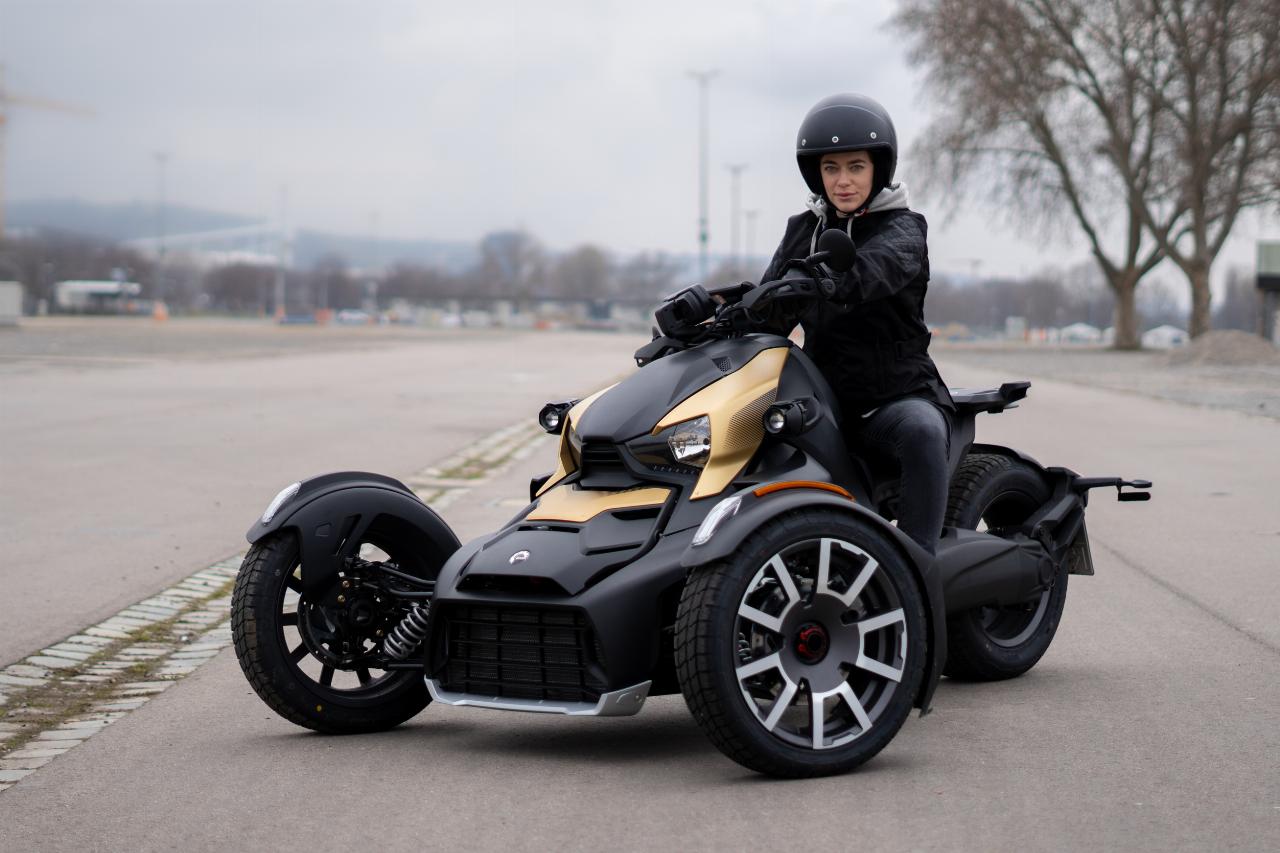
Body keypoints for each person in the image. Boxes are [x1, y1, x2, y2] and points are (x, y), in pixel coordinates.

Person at [758, 93, 955, 554]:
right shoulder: (802, 230)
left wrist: (825, 277)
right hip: (822, 400)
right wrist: (713, 314)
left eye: (855, 167)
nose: (843, 180)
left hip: (895, 398)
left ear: (877, 169)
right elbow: (769, 309)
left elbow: (874, 269)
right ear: (816, 173)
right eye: (831, 168)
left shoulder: (903, 228)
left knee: (922, 430)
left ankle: (918, 566)